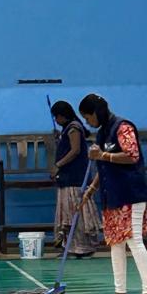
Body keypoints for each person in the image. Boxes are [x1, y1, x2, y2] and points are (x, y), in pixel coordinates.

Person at [78, 92, 147, 294]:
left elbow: (132, 156)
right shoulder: (103, 133)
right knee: (116, 242)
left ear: (97, 112)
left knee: (134, 239)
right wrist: (91, 190)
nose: (88, 122)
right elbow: (103, 166)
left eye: (88, 117)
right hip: (112, 195)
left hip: (130, 194)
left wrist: (102, 155)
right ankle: (120, 292)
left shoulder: (123, 127)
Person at [49, 100, 100, 258]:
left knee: (76, 212)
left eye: (56, 116)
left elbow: (75, 150)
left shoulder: (74, 128)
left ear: (63, 116)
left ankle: (81, 247)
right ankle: (70, 247)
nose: (56, 120)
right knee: (69, 213)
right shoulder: (67, 129)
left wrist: (58, 165)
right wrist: (59, 138)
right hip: (68, 177)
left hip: (75, 177)